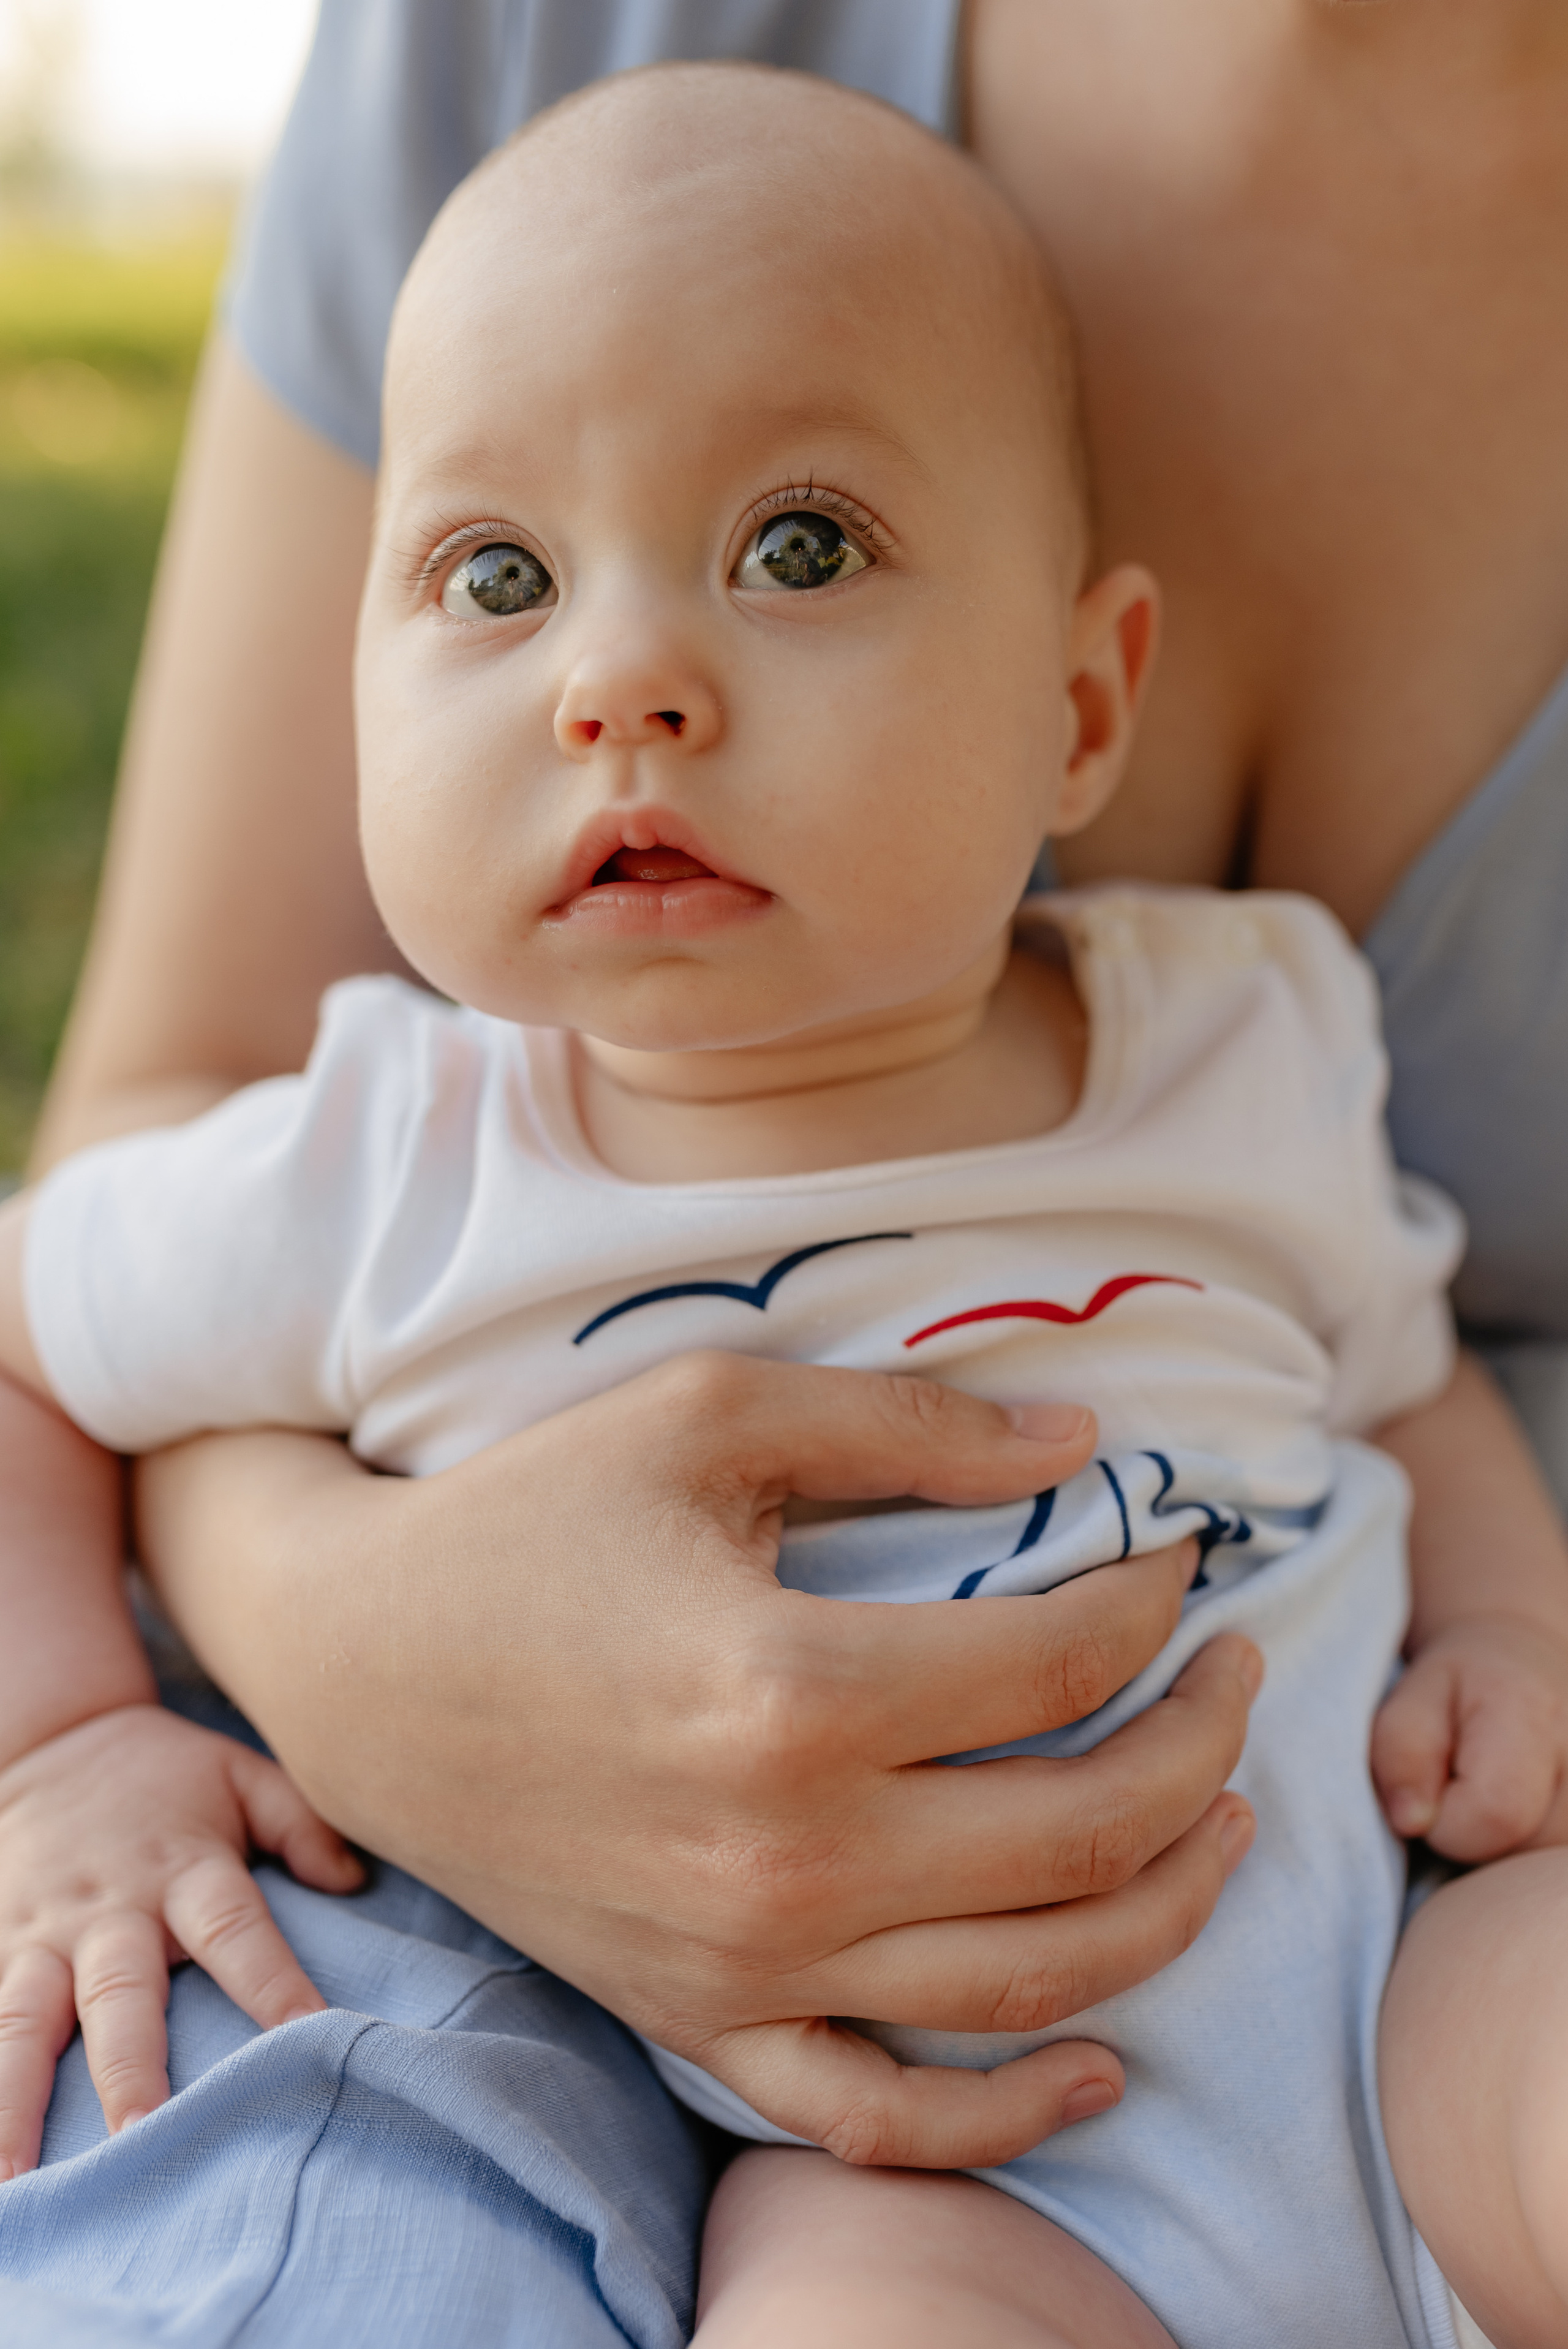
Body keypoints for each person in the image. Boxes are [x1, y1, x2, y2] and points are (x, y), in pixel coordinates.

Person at [0, 3, 1564, 2345]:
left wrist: (1518, 1631)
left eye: (796, 546)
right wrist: (63, 1738)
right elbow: (30, 1332)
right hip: (924, 2162)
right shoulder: (393, 1156)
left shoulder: (1229, 1030)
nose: (619, 679)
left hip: (1405, 1967)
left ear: (1081, 707)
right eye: (499, 579)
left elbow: (1396, 1358)